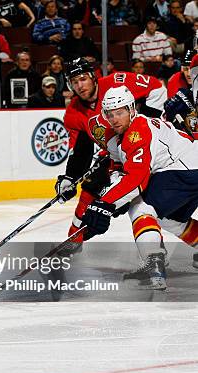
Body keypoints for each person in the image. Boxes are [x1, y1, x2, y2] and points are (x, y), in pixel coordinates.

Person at [82, 86, 198, 289]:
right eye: (110, 114)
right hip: (188, 168)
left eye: (120, 112)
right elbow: (121, 169)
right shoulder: (121, 135)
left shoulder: (138, 130)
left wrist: (105, 203)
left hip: (185, 168)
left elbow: (136, 179)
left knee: (141, 207)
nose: (115, 118)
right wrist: (109, 196)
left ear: (131, 110)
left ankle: (154, 265)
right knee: (169, 219)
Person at [55, 57, 167, 252]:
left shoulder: (117, 83)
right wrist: (69, 177)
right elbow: (81, 151)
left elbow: (156, 87)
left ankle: (156, 250)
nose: (79, 86)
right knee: (90, 188)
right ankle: (74, 239)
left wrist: (144, 122)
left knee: (146, 204)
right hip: (115, 157)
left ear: (92, 76)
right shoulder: (73, 111)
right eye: (74, 82)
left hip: (144, 150)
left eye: (83, 79)